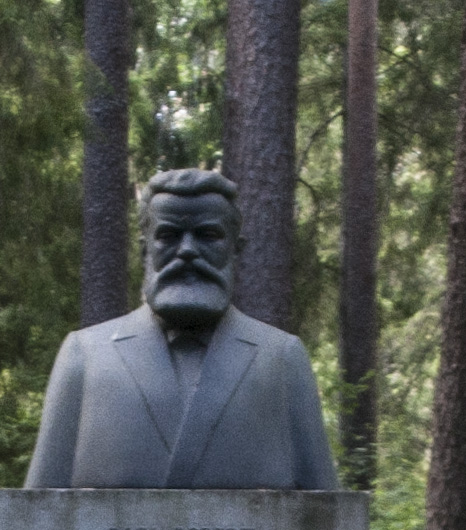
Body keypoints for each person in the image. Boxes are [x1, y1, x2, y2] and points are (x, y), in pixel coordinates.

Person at [24, 168, 339, 489]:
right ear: (146, 249)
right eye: (169, 235)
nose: (187, 250)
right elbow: (34, 518)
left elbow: (329, 520)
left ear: (235, 248)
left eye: (208, 235)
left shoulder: (282, 359)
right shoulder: (84, 357)